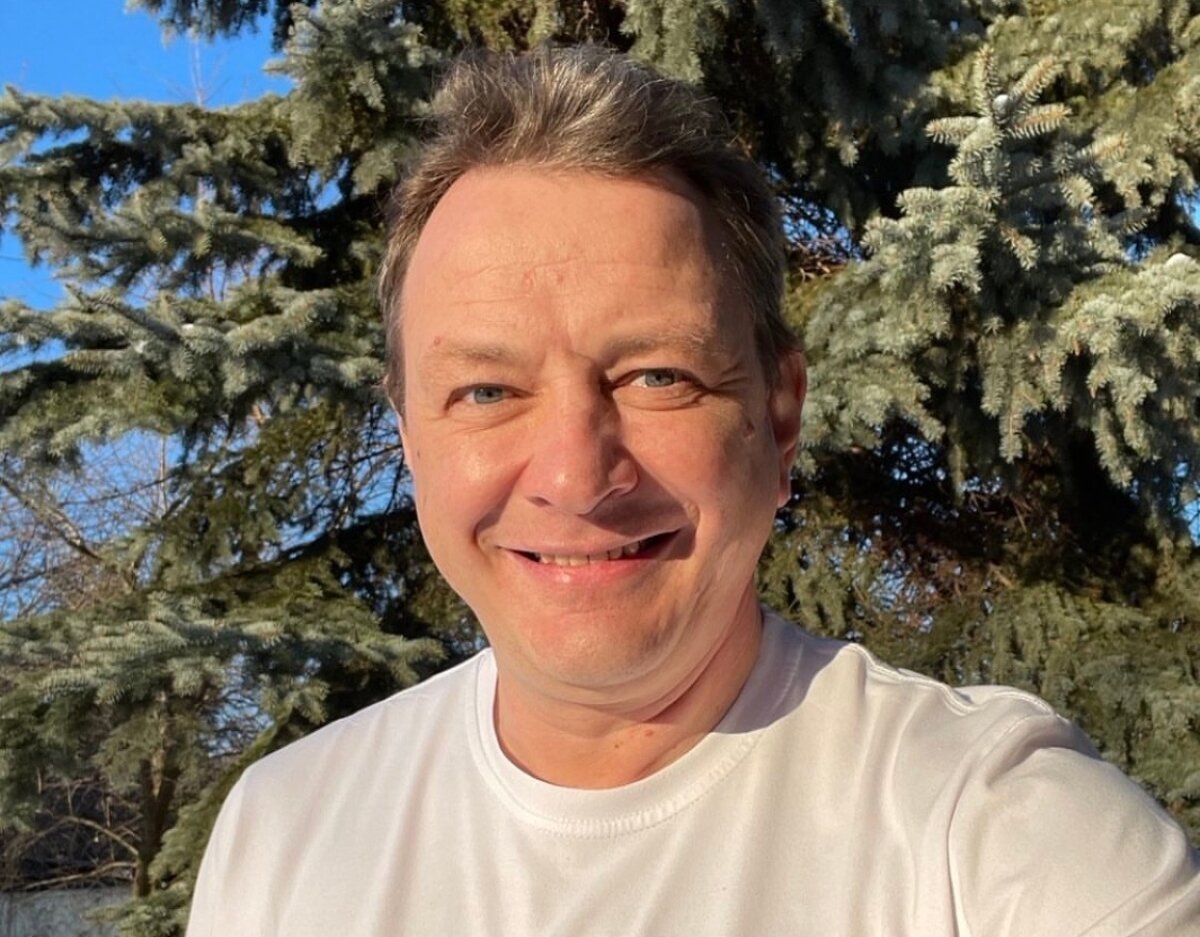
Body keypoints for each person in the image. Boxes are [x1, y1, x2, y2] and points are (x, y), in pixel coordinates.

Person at [187, 46, 1200, 936]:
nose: (575, 477)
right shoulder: (283, 835)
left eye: (656, 377)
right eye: (487, 390)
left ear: (779, 416)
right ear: (412, 437)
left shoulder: (992, 832)